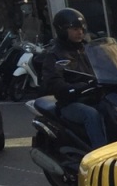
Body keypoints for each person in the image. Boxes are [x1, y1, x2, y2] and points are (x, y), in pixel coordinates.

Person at [36, 8, 107, 150]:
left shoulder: (89, 49)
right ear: (62, 30)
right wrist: (73, 87)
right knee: (91, 115)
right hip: (71, 102)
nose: (80, 32)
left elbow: (106, 66)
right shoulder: (54, 55)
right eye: (74, 29)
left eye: (81, 28)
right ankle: (100, 156)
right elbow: (52, 82)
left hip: (94, 96)